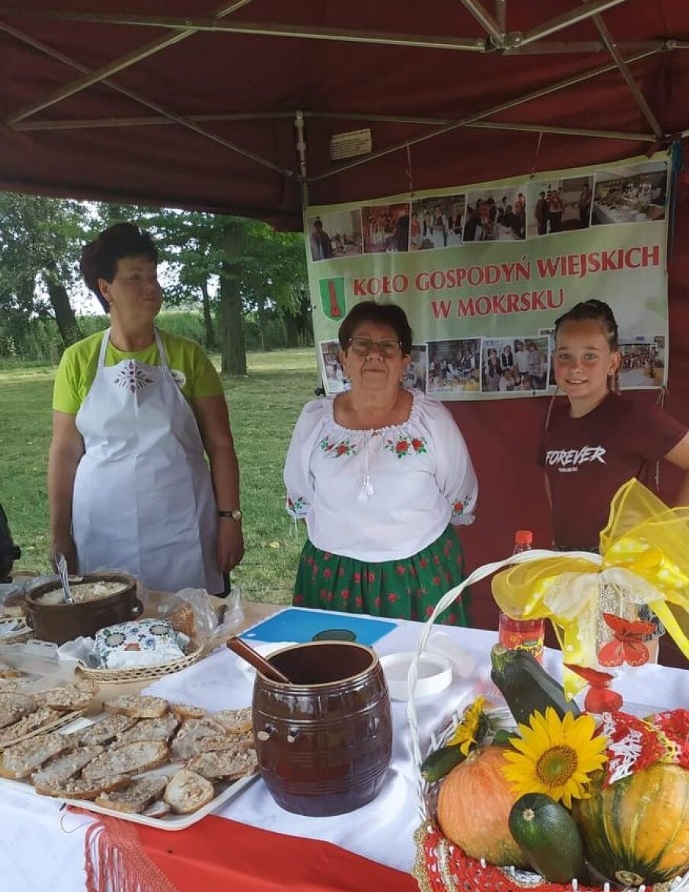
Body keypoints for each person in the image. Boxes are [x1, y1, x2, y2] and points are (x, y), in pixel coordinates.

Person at [48, 222, 243, 595]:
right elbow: (65, 450)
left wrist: (229, 519)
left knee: (193, 626)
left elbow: (220, 444)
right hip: (102, 527)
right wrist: (59, 533)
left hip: (182, 524)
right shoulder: (79, 360)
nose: (150, 287)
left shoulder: (188, 356)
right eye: (135, 278)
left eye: (153, 276)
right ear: (106, 288)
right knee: (109, 623)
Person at [283, 301, 478, 623]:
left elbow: (459, 494)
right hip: (335, 574)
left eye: (388, 346)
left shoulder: (431, 420)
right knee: (338, 665)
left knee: (420, 668)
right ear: (343, 358)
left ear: (404, 361)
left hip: (417, 573)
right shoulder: (315, 419)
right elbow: (302, 493)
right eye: (361, 345)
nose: (374, 355)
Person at [539, 299, 689, 553]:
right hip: (568, 558)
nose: (575, 367)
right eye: (565, 355)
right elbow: (554, 478)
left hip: (621, 565)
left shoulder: (633, 416)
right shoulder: (554, 420)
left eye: (590, 356)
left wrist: (671, 533)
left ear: (613, 363)